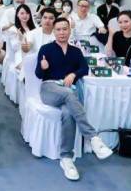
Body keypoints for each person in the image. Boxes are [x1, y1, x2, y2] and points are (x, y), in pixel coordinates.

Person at [35, 18, 114, 181]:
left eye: (65, 29)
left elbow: (84, 68)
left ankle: (66, 158)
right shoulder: (46, 49)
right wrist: (42, 67)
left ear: (69, 31)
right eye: (58, 29)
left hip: (68, 90)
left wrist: (73, 74)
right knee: (69, 93)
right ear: (54, 31)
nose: (62, 32)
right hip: (49, 89)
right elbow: (38, 75)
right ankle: (93, 137)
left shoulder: (76, 51)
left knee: (68, 113)